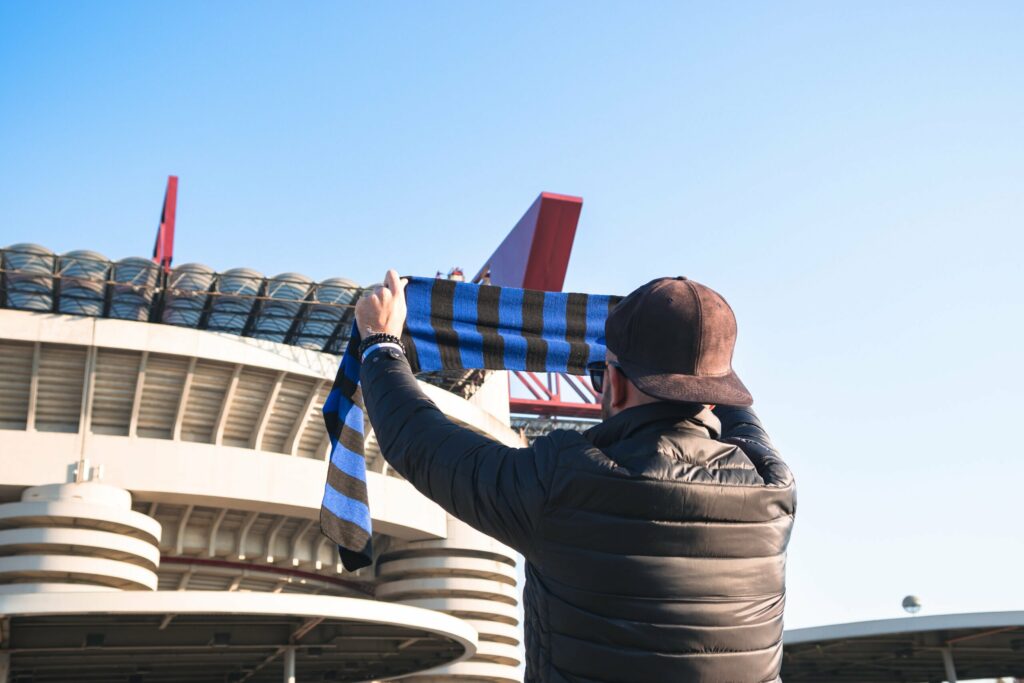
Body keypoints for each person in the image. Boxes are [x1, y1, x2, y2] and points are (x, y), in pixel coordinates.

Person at [356, 270, 796, 683]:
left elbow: (422, 442)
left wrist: (380, 343)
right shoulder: (773, 486)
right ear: (718, 394)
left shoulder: (566, 483)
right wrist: (693, 353)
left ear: (615, 385)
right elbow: (738, 414)